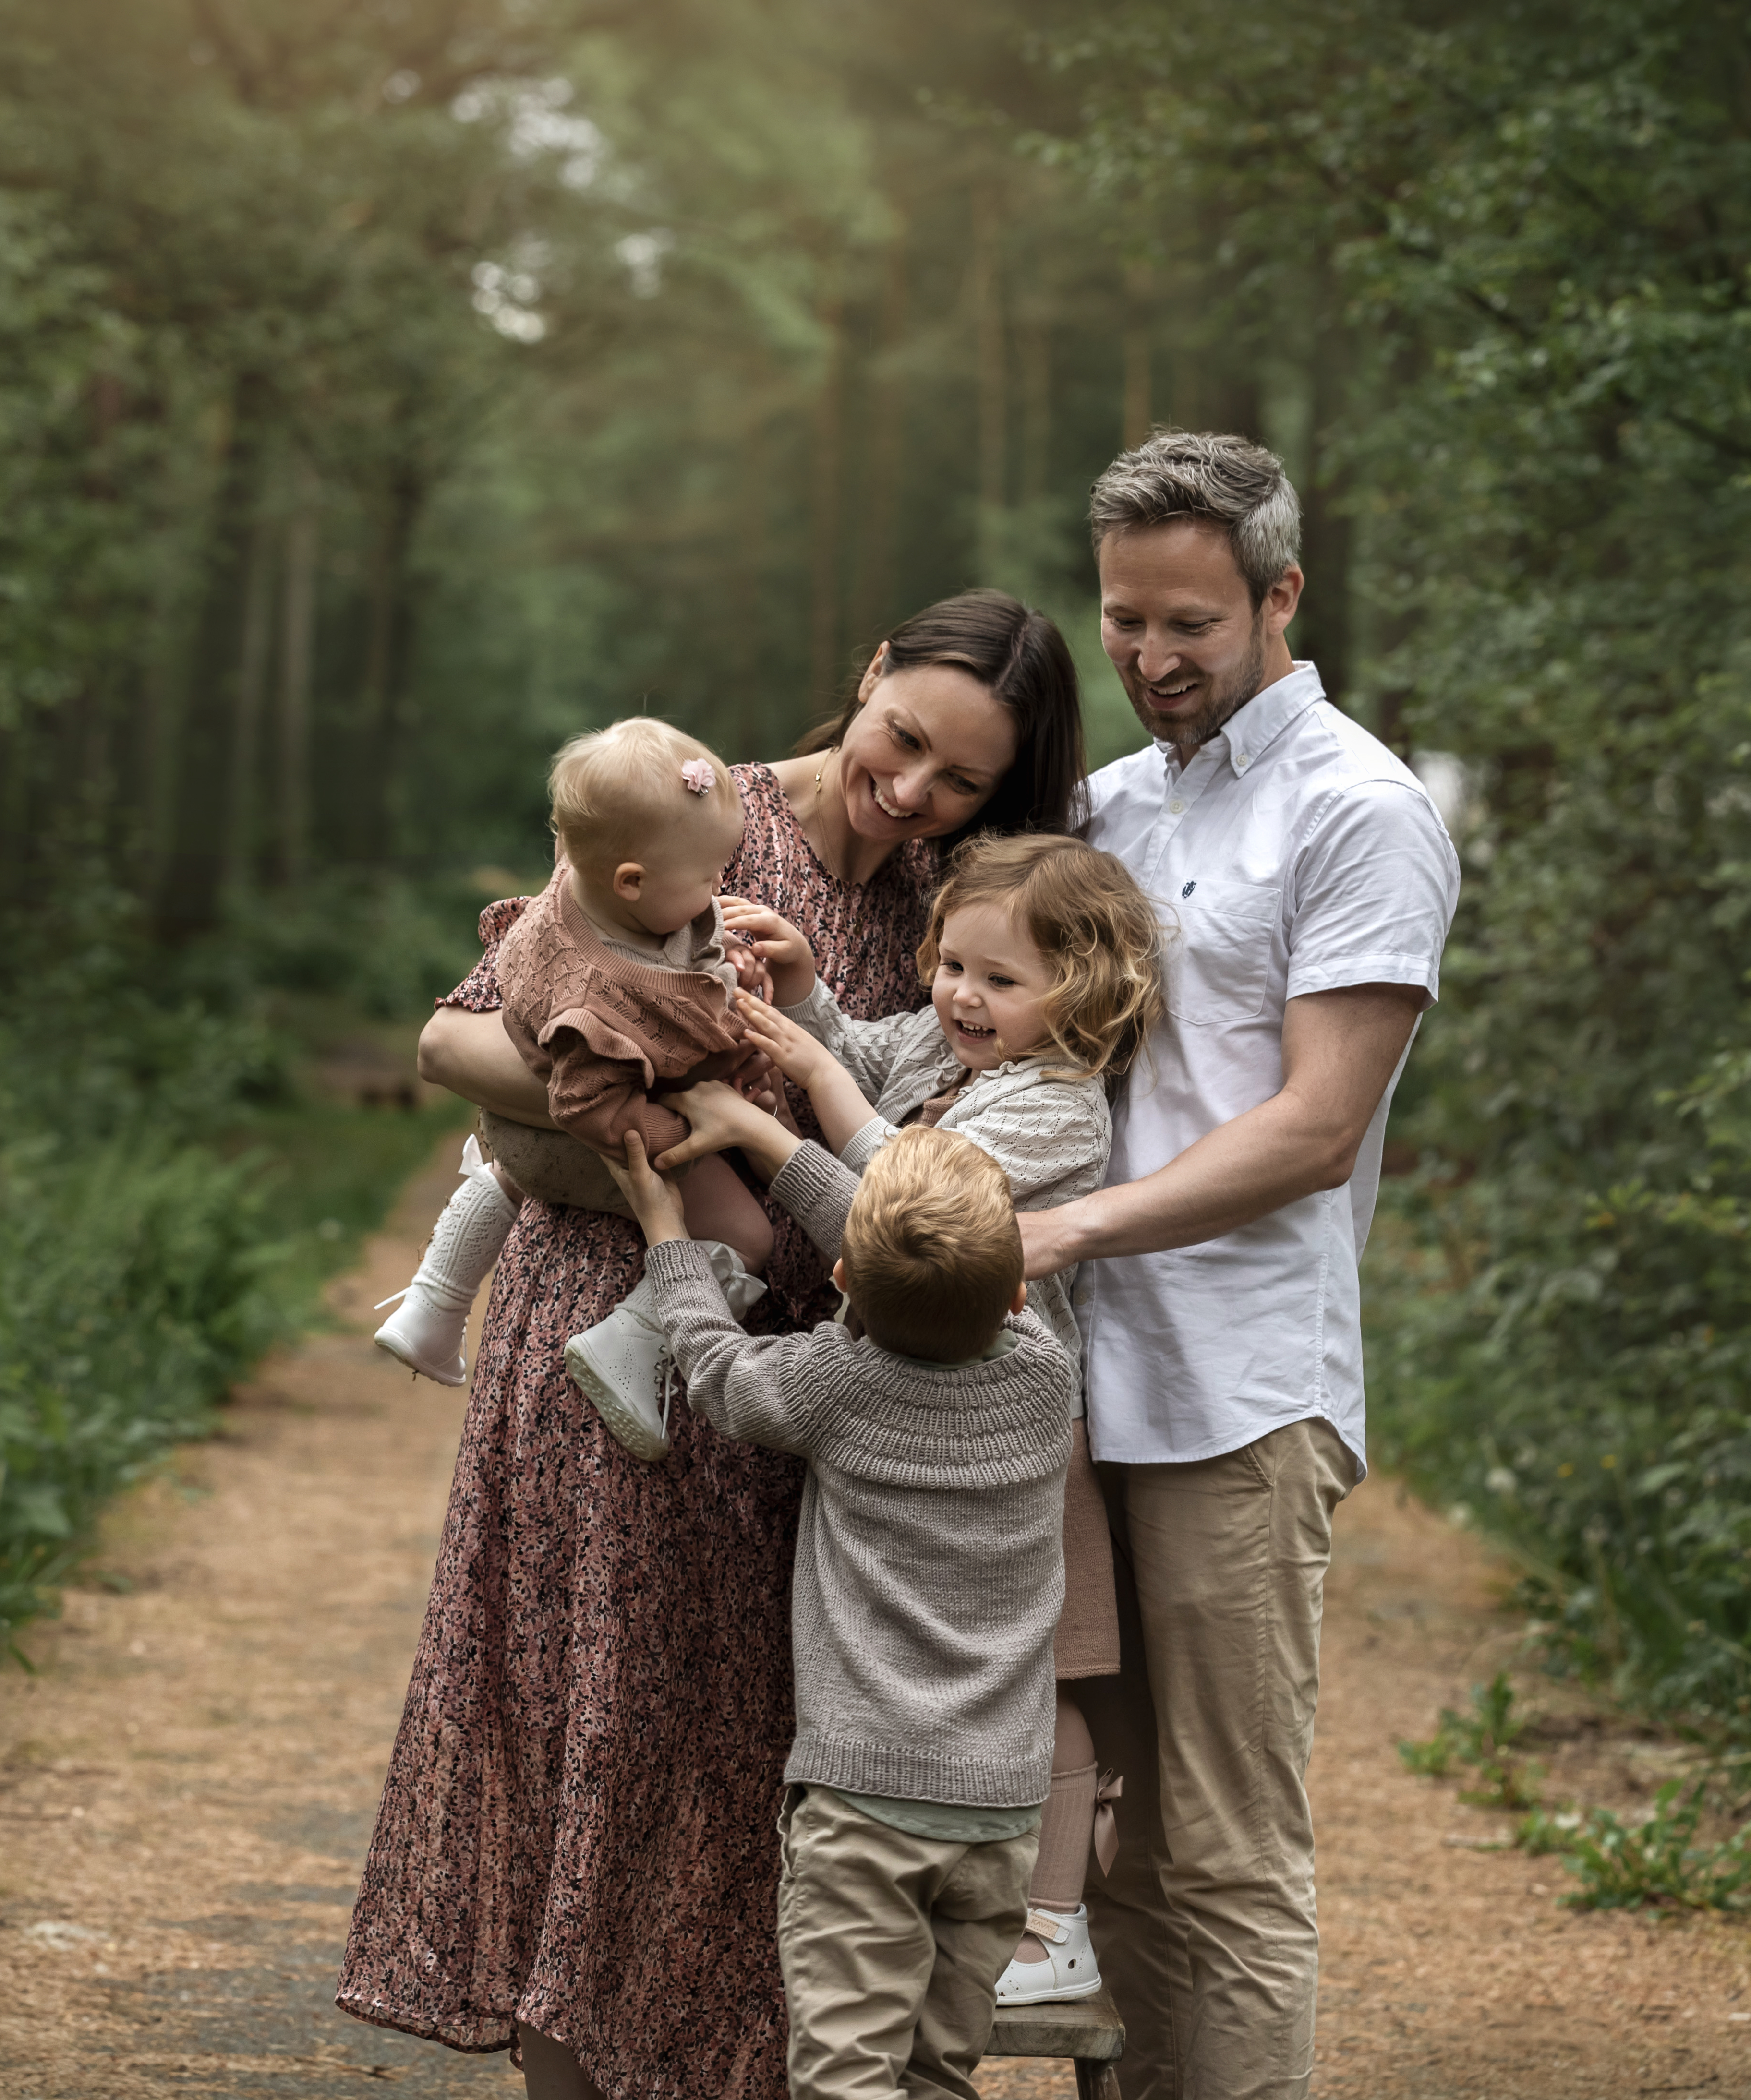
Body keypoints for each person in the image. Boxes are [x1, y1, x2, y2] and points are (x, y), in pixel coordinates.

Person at [338, 588, 1086, 2100]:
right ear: (868, 676)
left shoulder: (965, 904)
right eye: (905, 740)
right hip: (618, 1349)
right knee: (600, 1746)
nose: (915, 790)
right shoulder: (692, 809)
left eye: (963, 780)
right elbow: (453, 1038)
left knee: (766, 1793)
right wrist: (642, 1111)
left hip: (821, 1395)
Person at [1018, 431, 1461, 2100]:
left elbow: (1313, 1126)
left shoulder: (1360, 809)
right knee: (1099, 1847)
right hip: (1069, 1396)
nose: (1147, 658)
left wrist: (1060, 1227)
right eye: (1124, 620)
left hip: (1236, 1396)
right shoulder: (1106, 808)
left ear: (1281, 595)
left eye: (1188, 622)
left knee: (1225, 1854)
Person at [652, 831, 1166, 2005]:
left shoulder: (1059, 1112)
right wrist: (809, 1001)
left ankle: (1049, 1923)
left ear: (1079, 993)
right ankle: (931, 1887)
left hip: (1006, 1424)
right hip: (899, 1398)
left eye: (1000, 980)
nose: (962, 999)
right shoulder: (943, 1038)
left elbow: (911, 1200)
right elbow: (873, 1052)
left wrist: (783, 1110)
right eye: (953, 967)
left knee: (1049, 1671)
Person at [604, 1121, 1075, 2100]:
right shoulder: (1044, 1377)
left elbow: (718, 1371)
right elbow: (905, 1265)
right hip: (1001, 1810)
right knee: (937, 2070)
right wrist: (777, 1147)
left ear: (840, 1281)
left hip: (867, 1805)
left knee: (846, 2076)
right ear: (1019, 1295)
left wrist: (667, 1236)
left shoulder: (836, 1384)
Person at [368, 717, 782, 1456]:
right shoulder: (591, 997)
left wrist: (731, 965)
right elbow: (586, 1106)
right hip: (585, 1129)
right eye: (711, 878)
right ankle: (627, 1346)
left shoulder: (579, 902)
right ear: (634, 881)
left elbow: (686, 941)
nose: (720, 888)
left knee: (514, 1168)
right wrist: (685, 1138)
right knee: (746, 1233)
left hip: (519, 1137)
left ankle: (433, 1305)